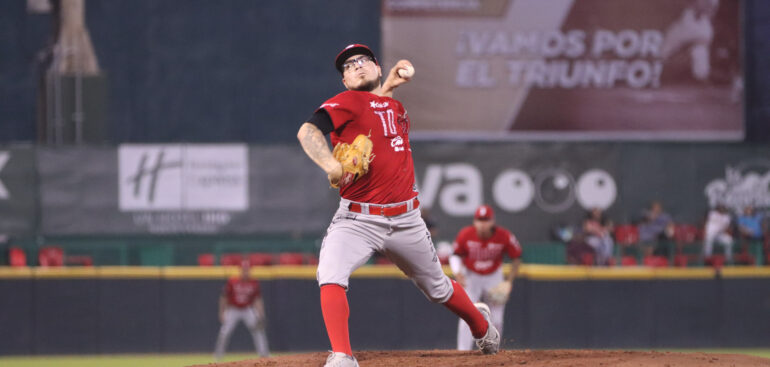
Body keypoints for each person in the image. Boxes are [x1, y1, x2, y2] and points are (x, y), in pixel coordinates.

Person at [296, 43, 499, 367]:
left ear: (377, 68)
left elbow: (377, 109)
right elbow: (308, 130)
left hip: (407, 219)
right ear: (345, 82)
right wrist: (330, 165)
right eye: (348, 66)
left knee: (438, 289)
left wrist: (388, 86)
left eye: (364, 61)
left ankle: (482, 325)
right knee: (331, 272)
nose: (356, 66)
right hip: (357, 220)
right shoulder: (346, 102)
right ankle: (343, 357)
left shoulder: (395, 108)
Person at [449, 204, 522, 351]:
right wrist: (458, 273)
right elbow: (455, 255)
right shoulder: (466, 234)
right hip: (471, 276)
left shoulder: (504, 236)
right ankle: (463, 352)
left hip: (494, 277)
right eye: (479, 220)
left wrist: (508, 282)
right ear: (474, 222)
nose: (482, 224)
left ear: (492, 221)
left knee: (497, 319)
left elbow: (517, 258)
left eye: (486, 220)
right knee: (466, 315)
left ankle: (493, 351)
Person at [214, 260, 269, 361]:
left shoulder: (254, 283)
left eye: (247, 270)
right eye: (244, 270)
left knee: (258, 330)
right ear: (240, 270)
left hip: (247, 309)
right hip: (233, 309)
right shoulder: (232, 281)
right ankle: (218, 356)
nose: (245, 272)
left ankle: (264, 355)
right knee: (224, 332)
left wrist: (261, 314)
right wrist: (221, 312)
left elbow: (257, 299)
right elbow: (224, 297)